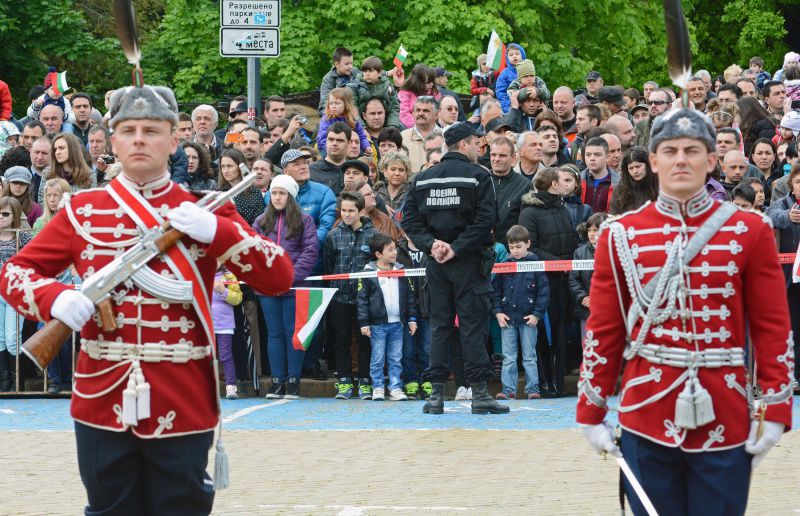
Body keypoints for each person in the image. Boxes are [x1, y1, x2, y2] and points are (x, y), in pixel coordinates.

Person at [0, 85, 294, 513]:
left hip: (183, 393)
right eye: (129, 130)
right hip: (103, 392)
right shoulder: (83, 210)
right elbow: (14, 272)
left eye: (153, 130)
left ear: (174, 140)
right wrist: (56, 299)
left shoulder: (207, 208)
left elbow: (278, 275)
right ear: (112, 140)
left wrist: (217, 232)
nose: (140, 139)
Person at [577, 108, 792, 515]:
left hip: (724, 412)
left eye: (693, 150)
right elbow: (604, 330)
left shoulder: (751, 230)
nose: (680, 160)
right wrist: (591, 408)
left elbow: (771, 327)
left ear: (711, 160)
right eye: (669, 150)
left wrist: (777, 407)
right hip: (645, 413)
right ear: (653, 161)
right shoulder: (618, 234)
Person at [402, 122, 508, 415]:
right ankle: (480, 395)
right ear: (463, 144)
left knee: (439, 327)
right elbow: (486, 220)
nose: (479, 148)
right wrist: (456, 248)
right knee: (472, 329)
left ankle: (435, 396)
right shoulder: (478, 177)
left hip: (435, 264)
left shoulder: (423, 179)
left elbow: (408, 221)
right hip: (469, 264)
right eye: (476, 142)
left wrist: (432, 245)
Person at [254, 174, 318, 399]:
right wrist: (269, 278)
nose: (277, 197)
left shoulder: (304, 220)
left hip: (295, 287)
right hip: (268, 288)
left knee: (294, 333)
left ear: (290, 196)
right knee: (275, 334)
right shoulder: (261, 221)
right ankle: (277, 381)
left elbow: (310, 252)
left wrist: (289, 277)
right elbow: (256, 253)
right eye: (274, 193)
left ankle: (293, 381)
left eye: (282, 193)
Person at [518, 168, 579, 397]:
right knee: (543, 332)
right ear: (553, 184)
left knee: (561, 329)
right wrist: (557, 262)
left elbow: (570, 239)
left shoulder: (562, 208)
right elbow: (530, 247)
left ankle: (558, 382)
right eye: (562, 181)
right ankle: (544, 381)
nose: (566, 185)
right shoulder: (529, 212)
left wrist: (568, 263)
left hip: (563, 279)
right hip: (542, 281)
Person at [325, 191, 378, 400]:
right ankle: (344, 381)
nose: (346, 215)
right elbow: (329, 265)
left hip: (365, 299)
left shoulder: (373, 235)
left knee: (365, 340)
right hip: (340, 297)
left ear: (360, 211)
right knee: (342, 340)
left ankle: (365, 380)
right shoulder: (333, 235)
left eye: (351, 211)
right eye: (343, 210)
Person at [357, 233, 418, 401]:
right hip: (377, 325)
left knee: (396, 357)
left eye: (395, 249)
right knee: (377, 357)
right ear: (378, 254)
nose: (395, 253)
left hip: (398, 324)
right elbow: (362, 300)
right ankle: (377, 387)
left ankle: (395, 387)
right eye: (390, 250)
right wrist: (364, 323)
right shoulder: (368, 272)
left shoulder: (401, 271)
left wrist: (412, 318)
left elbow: (410, 296)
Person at [492, 224, 549, 400]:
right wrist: (498, 312)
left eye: (519, 246)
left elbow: (544, 292)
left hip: (528, 318)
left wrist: (537, 314)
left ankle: (533, 389)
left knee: (529, 356)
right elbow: (495, 291)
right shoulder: (504, 265)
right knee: (508, 357)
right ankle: (508, 390)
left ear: (528, 244)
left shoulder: (535, 263)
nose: (515, 251)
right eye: (511, 247)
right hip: (508, 317)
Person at [766, 163, 800, 388]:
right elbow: (769, 215)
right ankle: (793, 375)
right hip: (791, 279)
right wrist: (788, 216)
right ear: (791, 185)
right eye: (798, 181)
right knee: (793, 328)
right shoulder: (783, 204)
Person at [0, 197, 32, 392]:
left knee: (13, 338)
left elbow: (34, 259)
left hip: (15, 292)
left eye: (5, 214)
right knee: (0, 337)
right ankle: (4, 381)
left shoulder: (23, 236)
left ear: (15, 216)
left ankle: (17, 381)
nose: (1, 217)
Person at [568, 212, 605, 357]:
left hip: (606, 308)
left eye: (596, 230)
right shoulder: (579, 252)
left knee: (606, 346)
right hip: (586, 308)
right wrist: (583, 297)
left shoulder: (613, 249)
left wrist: (600, 299)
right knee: (588, 346)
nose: (592, 233)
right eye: (589, 230)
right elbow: (573, 279)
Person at [212, 265, 243, 399]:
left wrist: (223, 291)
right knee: (206, 356)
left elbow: (237, 299)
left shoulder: (229, 276)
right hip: (206, 323)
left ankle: (230, 386)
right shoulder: (200, 274)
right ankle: (205, 387)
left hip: (224, 323)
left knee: (226, 355)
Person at [348, 56, 403, 130]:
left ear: (380, 73)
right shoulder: (354, 86)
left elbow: (394, 107)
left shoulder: (387, 86)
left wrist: (392, 126)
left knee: (404, 132)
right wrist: (362, 129)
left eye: (371, 71)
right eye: (365, 71)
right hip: (359, 124)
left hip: (385, 123)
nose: (367, 74)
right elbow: (353, 109)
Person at [40, 132, 96, 202]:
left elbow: (92, 202)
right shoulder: (48, 172)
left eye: (61, 148)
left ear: (72, 149)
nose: (57, 152)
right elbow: (42, 200)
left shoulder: (90, 175)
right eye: (55, 149)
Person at [317, 88, 370, 156]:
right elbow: (323, 138)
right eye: (331, 103)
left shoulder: (352, 119)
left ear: (346, 104)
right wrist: (332, 151)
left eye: (337, 103)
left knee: (363, 158)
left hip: (348, 148)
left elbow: (361, 136)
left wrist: (366, 147)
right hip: (327, 149)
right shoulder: (327, 119)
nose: (333, 106)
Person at [217, 148, 264, 225]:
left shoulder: (254, 192)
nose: (225, 171)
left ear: (240, 166)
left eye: (229, 166)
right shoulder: (217, 192)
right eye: (223, 166)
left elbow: (258, 224)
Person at [609, 146, 658, 215]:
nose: (635, 171)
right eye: (631, 168)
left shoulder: (660, 187)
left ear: (647, 165)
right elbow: (613, 216)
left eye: (638, 166)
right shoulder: (620, 191)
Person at [318, 46, 359, 115]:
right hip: (339, 114)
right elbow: (324, 103)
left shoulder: (355, 72)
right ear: (336, 64)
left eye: (351, 63)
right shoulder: (328, 79)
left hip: (356, 109)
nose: (350, 66)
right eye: (347, 64)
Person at [398, 64, 441, 129]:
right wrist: (418, 129)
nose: (431, 85)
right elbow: (403, 114)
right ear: (417, 82)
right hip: (411, 128)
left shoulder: (435, 93)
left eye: (432, 82)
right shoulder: (405, 93)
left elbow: (439, 113)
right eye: (428, 82)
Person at [495, 43, 527, 112]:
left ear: (522, 55)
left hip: (528, 106)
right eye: (511, 55)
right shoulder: (504, 74)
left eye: (517, 54)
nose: (514, 56)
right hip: (511, 107)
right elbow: (500, 93)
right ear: (507, 57)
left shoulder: (528, 70)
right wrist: (508, 108)